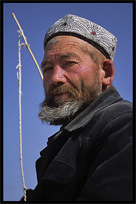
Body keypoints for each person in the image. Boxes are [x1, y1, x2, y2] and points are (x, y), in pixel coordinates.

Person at [21, 14, 133, 202]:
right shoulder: (66, 138)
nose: (55, 78)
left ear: (106, 72)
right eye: (47, 68)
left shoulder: (123, 125)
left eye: (69, 63)